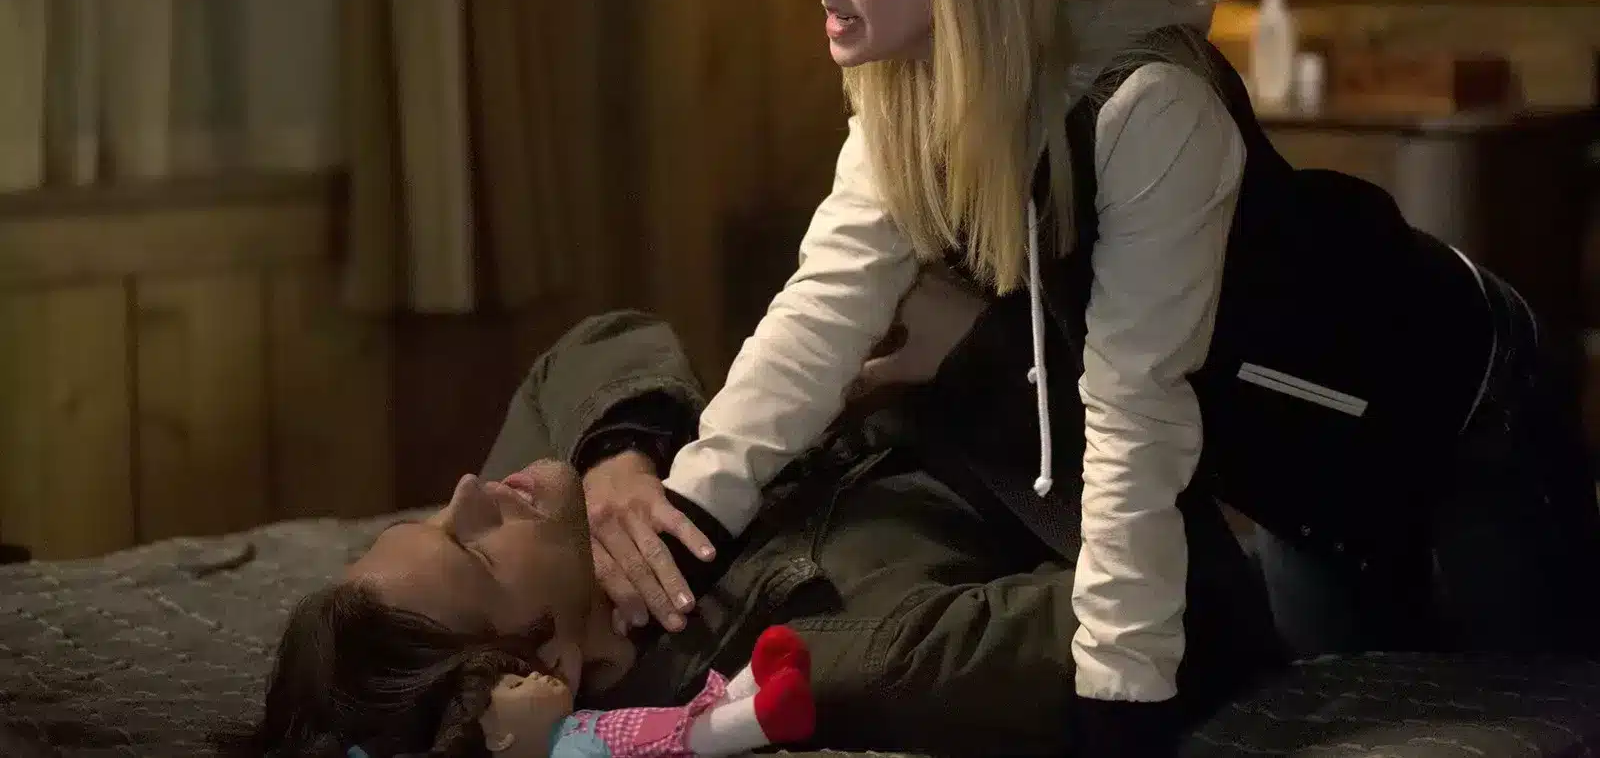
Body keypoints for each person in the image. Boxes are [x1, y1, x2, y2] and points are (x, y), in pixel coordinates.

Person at [582, 0, 1600, 757]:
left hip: (1456, 411)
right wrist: (687, 517)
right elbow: (818, 317)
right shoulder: (909, 94)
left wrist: (1118, 687)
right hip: (1292, 472)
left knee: (1545, 712)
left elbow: (1133, 406)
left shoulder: (1149, 103)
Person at [232, 310, 1284, 757]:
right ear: (541, 668)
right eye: (465, 544)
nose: (468, 488)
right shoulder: (832, 654)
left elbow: (592, 347)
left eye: (430, 514)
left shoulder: (564, 533)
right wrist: (983, 361)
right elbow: (1188, 604)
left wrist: (617, 451)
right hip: (1158, 423)